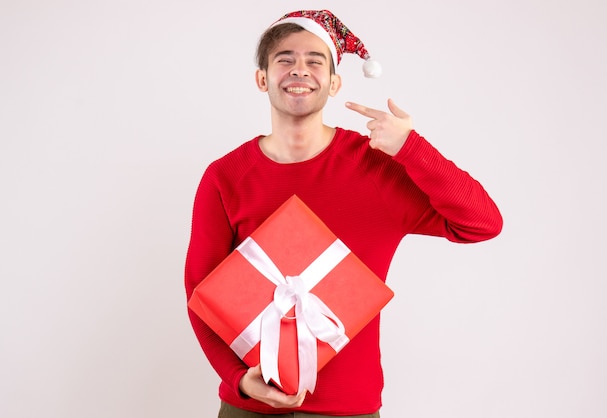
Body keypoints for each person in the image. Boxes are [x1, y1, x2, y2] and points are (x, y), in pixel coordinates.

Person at [184, 9, 503, 418]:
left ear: (334, 83)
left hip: (349, 407)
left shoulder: (376, 167)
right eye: (285, 59)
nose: (300, 70)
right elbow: (199, 293)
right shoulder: (225, 176)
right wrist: (237, 379)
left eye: (315, 61)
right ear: (262, 77)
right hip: (250, 406)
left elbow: (481, 223)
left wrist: (411, 147)